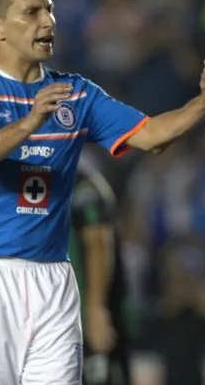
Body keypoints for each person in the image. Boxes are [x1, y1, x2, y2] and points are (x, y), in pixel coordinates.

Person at [0, 0, 205, 385]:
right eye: (32, 12)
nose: (48, 21)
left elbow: (152, 136)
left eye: (49, 10)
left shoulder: (77, 93)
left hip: (54, 277)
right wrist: (28, 123)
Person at [69, 155, 132, 385]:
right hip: (67, 312)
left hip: (87, 311)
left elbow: (98, 240)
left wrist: (96, 309)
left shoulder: (80, 180)